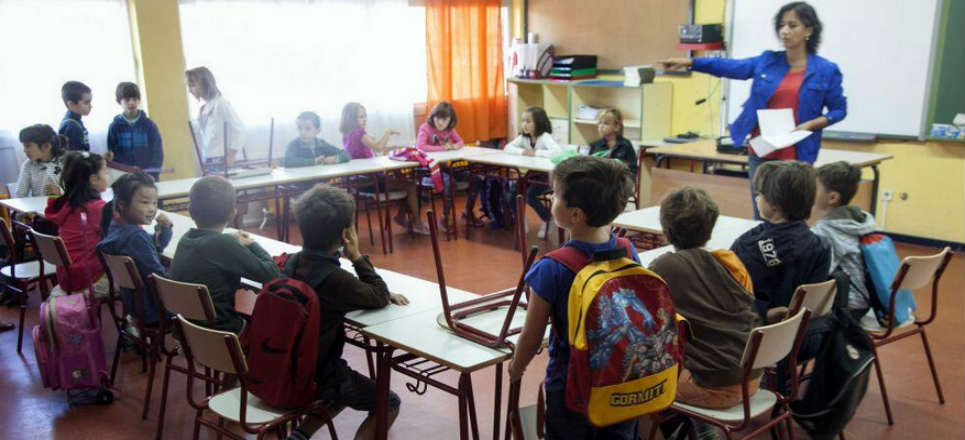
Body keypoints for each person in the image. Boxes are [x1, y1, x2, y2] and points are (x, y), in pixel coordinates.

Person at [659, 1, 847, 219]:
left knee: (792, 216)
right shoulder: (768, 61)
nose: (785, 31)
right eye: (781, 25)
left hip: (797, 153)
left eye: (792, 25)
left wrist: (812, 124)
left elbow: (839, 110)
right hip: (762, 149)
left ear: (809, 30)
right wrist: (691, 62)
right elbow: (731, 67)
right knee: (762, 215)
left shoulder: (826, 70)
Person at [508, 156, 640, 439]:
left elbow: (532, 336)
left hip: (571, 385)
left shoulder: (552, 267)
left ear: (576, 215)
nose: (552, 199)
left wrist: (516, 367)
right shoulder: (628, 250)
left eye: (555, 195)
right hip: (622, 378)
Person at [282, 184, 409, 440]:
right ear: (344, 234)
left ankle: (300, 436)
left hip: (287, 366)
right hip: (319, 376)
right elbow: (379, 295)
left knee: (342, 386)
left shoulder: (292, 262)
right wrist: (357, 257)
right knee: (388, 402)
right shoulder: (336, 279)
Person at [649, 187, 760, 439]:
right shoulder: (730, 261)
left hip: (711, 385)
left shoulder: (663, 267)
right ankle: (697, 427)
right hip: (751, 377)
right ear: (710, 228)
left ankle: (698, 430)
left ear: (665, 229)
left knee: (641, 372)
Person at [168, 176, 280, 334]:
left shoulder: (185, 239)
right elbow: (272, 275)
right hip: (222, 334)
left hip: (187, 331)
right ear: (233, 213)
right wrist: (251, 243)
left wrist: (230, 241)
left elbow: (212, 247)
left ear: (191, 212)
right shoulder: (223, 244)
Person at [731, 161, 830, 322]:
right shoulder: (821, 247)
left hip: (757, 330)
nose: (757, 198)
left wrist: (764, 312)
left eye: (760, 194)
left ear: (774, 205)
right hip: (803, 331)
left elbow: (731, 300)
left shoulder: (746, 246)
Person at [339, 102, 428, 234]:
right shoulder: (358, 133)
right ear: (351, 119)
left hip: (358, 180)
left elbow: (371, 147)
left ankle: (401, 217)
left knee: (403, 182)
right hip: (369, 181)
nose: (365, 119)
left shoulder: (347, 134)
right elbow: (379, 147)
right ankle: (417, 223)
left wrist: (390, 146)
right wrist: (387, 133)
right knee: (410, 186)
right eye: (361, 117)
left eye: (365, 116)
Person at [97, 172, 173, 326]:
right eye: (145, 203)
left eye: (155, 203)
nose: (152, 209)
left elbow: (153, 248)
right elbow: (159, 279)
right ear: (122, 204)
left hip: (135, 305)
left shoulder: (116, 228)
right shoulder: (135, 237)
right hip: (155, 310)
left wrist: (165, 230)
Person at [812, 161, 876, 319]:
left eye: (815, 188)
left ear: (832, 197)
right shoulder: (862, 220)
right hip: (869, 299)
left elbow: (818, 274)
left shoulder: (826, 231)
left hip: (849, 308)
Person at [43, 151, 110, 298]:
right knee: (135, 275)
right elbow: (125, 231)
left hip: (66, 277)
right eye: (105, 172)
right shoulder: (98, 208)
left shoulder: (67, 206)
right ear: (93, 179)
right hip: (88, 278)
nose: (108, 176)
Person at [414, 101, 481, 229]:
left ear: (450, 120)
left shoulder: (449, 130)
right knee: (450, 182)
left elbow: (460, 142)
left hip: (444, 168)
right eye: (438, 118)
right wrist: (443, 148)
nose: (441, 123)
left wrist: (455, 146)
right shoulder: (425, 128)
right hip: (427, 171)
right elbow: (420, 147)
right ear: (433, 117)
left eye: (445, 120)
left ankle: (468, 212)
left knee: (476, 179)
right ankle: (446, 216)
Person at [504, 106, 560, 238]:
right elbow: (507, 148)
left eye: (528, 121)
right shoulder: (523, 138)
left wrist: (535, 153)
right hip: (530, 176)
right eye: (523, 121)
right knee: (511, 194)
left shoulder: (545, 137)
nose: (524, 124)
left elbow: (556, 152)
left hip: (546, 177)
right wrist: (522, 151)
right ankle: (521, 218)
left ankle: (548, 219)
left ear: (538, 123)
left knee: (530, 195)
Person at [186, 67, 246, 168]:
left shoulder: (221, 103)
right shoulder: (205, 108)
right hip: (208, 159)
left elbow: (240, 130)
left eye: (192, 86)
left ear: (204, 83)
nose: (189, 90)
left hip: (221, 160)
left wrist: (231, 155)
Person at [107, 82, 164, 180]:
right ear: (119, 101)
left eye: (135, 99)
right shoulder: (114, 127)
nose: (131, 103)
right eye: (127, 99)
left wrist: (153, 173)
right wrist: (122, 173)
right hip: (125, 177)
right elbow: (113, 155)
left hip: (148, 175)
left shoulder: (149, 125)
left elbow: (157, 151)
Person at [15, 124, 67, 197]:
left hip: (63, 203)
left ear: (46, 146)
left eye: (28, 146)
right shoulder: (28, 165)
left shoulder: (65, 162)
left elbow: (76, 191)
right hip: (39, 204)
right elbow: (20, 194)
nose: (24, 150)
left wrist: (60, 192)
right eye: (24, 146)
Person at [283, 111, 350, 168]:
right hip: (302, 179)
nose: (302, 132)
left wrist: (335, 159)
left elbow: (346, 155)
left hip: (321, 178)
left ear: (318, 131)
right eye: (300, 128)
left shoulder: (321, 144)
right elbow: (287, 161)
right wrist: (314, 161)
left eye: (308, 129)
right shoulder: (293, 145)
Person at [588, 108, 638, 176]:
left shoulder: (626, 144)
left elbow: (633, 169)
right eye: (600, 123)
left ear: (616, 127)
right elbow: (589, 168)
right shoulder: (595, 145)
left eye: (606, 123)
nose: (601, 126)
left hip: (620, 179)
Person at [59, 81, 92, 152]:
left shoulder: (76, 121)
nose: (91, 106)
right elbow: (76, 156)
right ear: (71, 104)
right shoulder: (72, 126)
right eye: (86, 102)